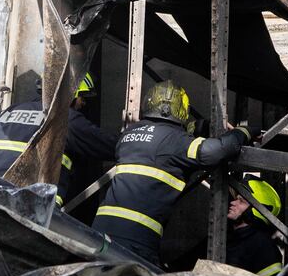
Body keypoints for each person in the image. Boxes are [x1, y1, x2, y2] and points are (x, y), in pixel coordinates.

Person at [92, 80, 256, 265]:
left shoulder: (130, 134)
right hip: (136, 238)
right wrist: (244, 132)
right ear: (181, 109)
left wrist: (201, 126)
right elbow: (214, 151)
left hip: (100, 231)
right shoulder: (176, 142)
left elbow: (162, 136)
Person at [0, 73, 117, 206]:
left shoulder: (8, 112)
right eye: (82, 97)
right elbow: (107, 146)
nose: (83, 103)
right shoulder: (64, 118)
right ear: (70, 94)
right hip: (33, 208)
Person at [226, 176, 283, 276]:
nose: (233, 203)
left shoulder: (263, 245)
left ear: (256, 210)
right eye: (235, 199)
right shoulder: (226, 236)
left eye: (241, 201)